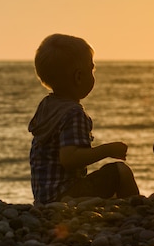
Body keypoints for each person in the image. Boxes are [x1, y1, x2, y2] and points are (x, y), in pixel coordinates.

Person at [29, 34, 139, 204]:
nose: (93, 74)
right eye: (92, 69)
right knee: (121, 171)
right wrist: (108, 150)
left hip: (44, 197)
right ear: (79, 77)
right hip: (64, 194)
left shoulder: (47, 105)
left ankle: (112, 203)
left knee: (109, 194)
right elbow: (69, 159)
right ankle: (138, 207)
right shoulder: (73, 113)